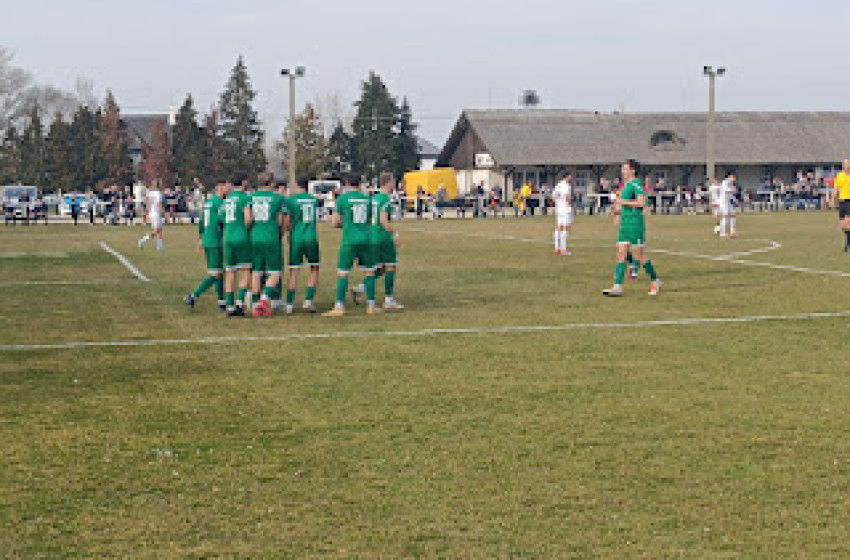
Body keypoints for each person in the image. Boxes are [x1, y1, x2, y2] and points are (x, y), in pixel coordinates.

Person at [603, 159, 661, 297]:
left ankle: (655, 280)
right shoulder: (625, 185)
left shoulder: (636, 184)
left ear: (632, 170)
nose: (622, 171)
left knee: (638, 256)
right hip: (625, 223)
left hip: (635, 224)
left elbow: (641, 202)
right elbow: (623, 204)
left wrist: (622, 202)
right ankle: (617, 286)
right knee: (621, 254)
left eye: (625, 168)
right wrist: (617, 212)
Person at [323, 180, 378, 317]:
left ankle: (339, 306)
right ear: (360, 184)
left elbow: (335, 222)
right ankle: (371, 305)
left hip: (349, 239)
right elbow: (370, 221)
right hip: (366, 238)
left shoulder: (342, 199)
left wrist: (346, 225)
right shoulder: (367, 199)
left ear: (347, 184)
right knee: (369, 272)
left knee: (343, 273)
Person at [184, 179, 229, 311]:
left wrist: (200, 239)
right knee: (216, 274)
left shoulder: (209, 202)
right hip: (215, 241)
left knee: (219, 272)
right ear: (220, 188)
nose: (229, 189)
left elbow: (202, 222)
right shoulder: (220, 203)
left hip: (207, 239)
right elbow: (224, 220)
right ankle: (193, 295)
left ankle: (221, 302)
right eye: (226, 186)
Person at [249, 172, 287, 318]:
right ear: (271, 183)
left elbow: (248, 218)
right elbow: (280, 221)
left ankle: (254, 303)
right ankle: (264, 301)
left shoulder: (251, 197)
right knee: (275, 272)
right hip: (270, 236)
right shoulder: (278, 198)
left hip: (255, 235)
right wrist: (280, 233)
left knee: (257, 271)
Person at [285, 178, 321, 314]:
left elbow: (288, 220)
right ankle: (308, 301)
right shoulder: (313, 200)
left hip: (297, 237)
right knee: (314, 268)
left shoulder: (292, 200)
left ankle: (289, 304)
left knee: (294, 271)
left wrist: (288, 233)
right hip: (311, 236)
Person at [220, 172, 253, 317]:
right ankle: (240, 303)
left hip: (228, 237)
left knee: (230, 272)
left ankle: (229, 305)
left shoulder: (227, 199)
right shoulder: (245, 198)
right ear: (244, 182)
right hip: (241, 237)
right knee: (246, 270)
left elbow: (221, 216)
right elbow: (248, 218)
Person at [370, 172, 404, 310]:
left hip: (373, 235)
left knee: (377, 268)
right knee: (391, 266)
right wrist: (394, 233)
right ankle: (389, 300)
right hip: (383, 237)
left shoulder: (374, 198)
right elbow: (383, 221)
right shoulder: (384, 199)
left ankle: (360, 288)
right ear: (388, 182)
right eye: (393, 180)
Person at [138, 180, 164, 250]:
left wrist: (147, 212)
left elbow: (146, 201)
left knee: (159, 230)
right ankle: (143, 240)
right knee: (156, 231)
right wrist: (163, 211)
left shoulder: (150, 193)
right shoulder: (158, 194)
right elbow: (159, 204)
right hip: (156, 213)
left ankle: (160, 246)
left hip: (151, 213)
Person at [552, 173, 573, 255]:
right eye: (569, 177)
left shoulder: (558, 185)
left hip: (559, 208)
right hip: (565, 208)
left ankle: (557, 248)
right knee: (565, 227)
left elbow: (553, 197)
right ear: (566, 177)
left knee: (558, 227)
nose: (570, 179)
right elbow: (567, 196)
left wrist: (557, 204)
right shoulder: (566, 185)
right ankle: (563, 249)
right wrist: (569, 204)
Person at [832, 159, 850, 252]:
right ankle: (848, 243)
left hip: (849, 201)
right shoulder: (840, 175)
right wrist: (833, 200)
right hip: (842, 201)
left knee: (848, 222)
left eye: (847, 164)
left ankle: (848, 245)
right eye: (844, 164)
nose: (845, 166)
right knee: (843, 225)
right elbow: (836, 188)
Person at [718, 172, 738, 238]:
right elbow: (725, 190)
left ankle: (733, 232)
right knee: (725, 216)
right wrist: (732, 190)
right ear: (730, 177)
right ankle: (722, 233)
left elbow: (731, 195)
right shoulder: (725, 182)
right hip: (723, 202)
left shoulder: (731, 184)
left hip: (728, 202)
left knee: (733, 215)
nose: (734, 178)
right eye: (733, 177)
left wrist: (735, 200)